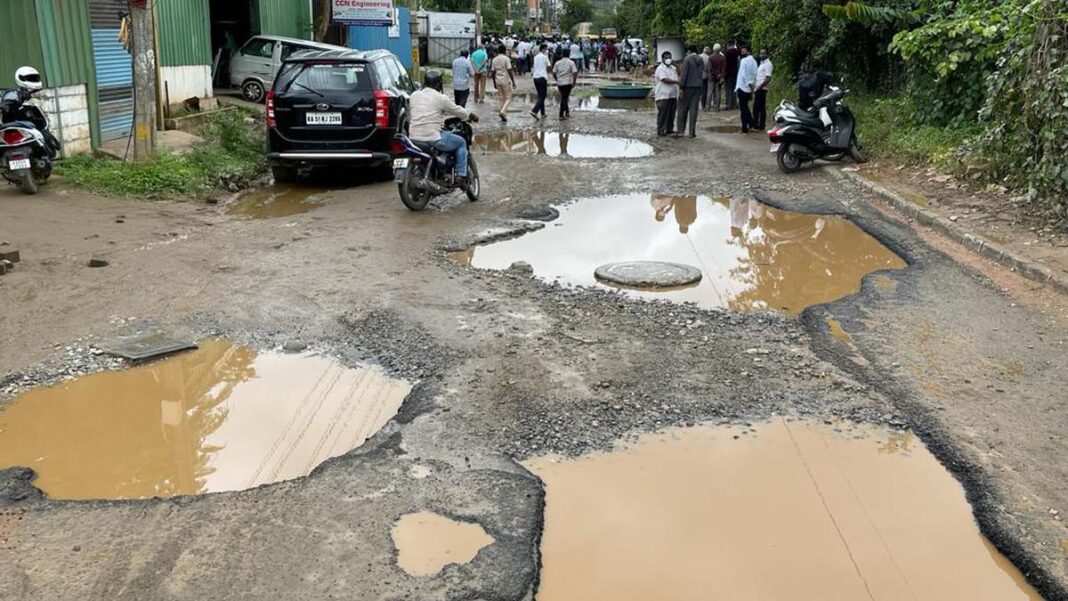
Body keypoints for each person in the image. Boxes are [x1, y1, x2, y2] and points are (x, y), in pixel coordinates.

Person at [409, 70, 479, 186]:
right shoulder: (440, 98)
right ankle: (460, 175)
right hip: (432, 136)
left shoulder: (414, 96)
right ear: (438, 83)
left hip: (414, 136)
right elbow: (457, 110)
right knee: (461, 142)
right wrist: (471, 116)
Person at [676, 47, 705, 138]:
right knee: (694, 109)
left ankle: (681, 131)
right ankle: (692, 133)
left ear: (688, 51)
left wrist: (681, 87)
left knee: (682, 108)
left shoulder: (687, 59)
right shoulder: (701, 60)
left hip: (687, 87)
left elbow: (684, 75)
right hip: (698, 86)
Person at [654, 51, 679, 136]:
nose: (668, 59)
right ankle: (660, 130)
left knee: (671, 113)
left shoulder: (673, 68)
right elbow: (664, 79)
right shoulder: (660, 68)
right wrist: (676, 81)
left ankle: (669, 129)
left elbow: (679, 74)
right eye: (666, 57)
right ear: (663, 59)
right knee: (663, 114)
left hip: (672, 95)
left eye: (669, 57)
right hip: (663, 95)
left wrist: (676, 65)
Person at [735, 46, 758, 133]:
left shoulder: (743, 61)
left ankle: (744, 128)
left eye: (743, 52)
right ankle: (751, 124)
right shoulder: (755, 62)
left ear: (748, 52)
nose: (742, 53)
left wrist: (748, 83)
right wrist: (753, 85)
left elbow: (743, 75)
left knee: (743, 108)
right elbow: (755, 74)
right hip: (749, 88)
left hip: (742, 86)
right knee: (745, 107)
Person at [490, 47, 516, 122]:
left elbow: (492, 72)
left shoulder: (494, 59)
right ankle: (502, 112)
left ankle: (503, 114)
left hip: (497, 80)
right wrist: (513, 81)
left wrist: (494, 82)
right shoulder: (506, 59)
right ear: (504, 51)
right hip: (505, 80)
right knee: (508, 98)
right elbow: (510, 70)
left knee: (501, 97)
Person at [552, 50, 578, 120]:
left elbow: (554, 72)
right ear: (569, 54)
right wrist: (574, 81)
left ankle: (567, 112)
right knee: (565, 98)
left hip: (560, 83)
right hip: (568, 82)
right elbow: (575, 72)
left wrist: (557, 79)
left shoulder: (558, 63)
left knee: (564, 97)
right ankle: (561, 114)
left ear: (562, 55)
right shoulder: (571, 62)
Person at [753, 47, 773, 130]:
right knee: (760, 107)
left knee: (758, 108)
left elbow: (768, 78)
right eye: (761, 53)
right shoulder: (762, 63)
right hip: (758, 88)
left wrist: (760, 86)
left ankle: (759, 124)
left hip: (762, 88)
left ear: (767, 54)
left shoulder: (768, 64)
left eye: (764, 53)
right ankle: (760, 124)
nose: (762, 55)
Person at [530, 43, 551, 121]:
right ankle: (534, 110)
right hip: (542, 77)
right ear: (543, 49)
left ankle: (543, 113)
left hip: (536, 77)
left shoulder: (535, 57)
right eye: (546, 49)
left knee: (540, 96)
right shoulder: (545, 57)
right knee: (543, 96)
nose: (547, 50)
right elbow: (549, 66)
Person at [706, 43, 725, 111]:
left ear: (713, 49)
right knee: (718, 93)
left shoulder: (710, 57)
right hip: (719, 78)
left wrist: (716, 74)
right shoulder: (722, 58)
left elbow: (710, 69)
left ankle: (708, 107)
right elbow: (723, 69)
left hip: (712, 77)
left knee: (710, 92)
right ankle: (717, 107)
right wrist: (721, 76)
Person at [724, 41, 740, 110]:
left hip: (728, 73)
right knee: (734, 89)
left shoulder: (726, 53)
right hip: (735, 73)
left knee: (728, 89)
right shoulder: (736, 51)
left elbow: (725, 64)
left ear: (728, 45)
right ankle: (735, 104)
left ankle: (729, 105)